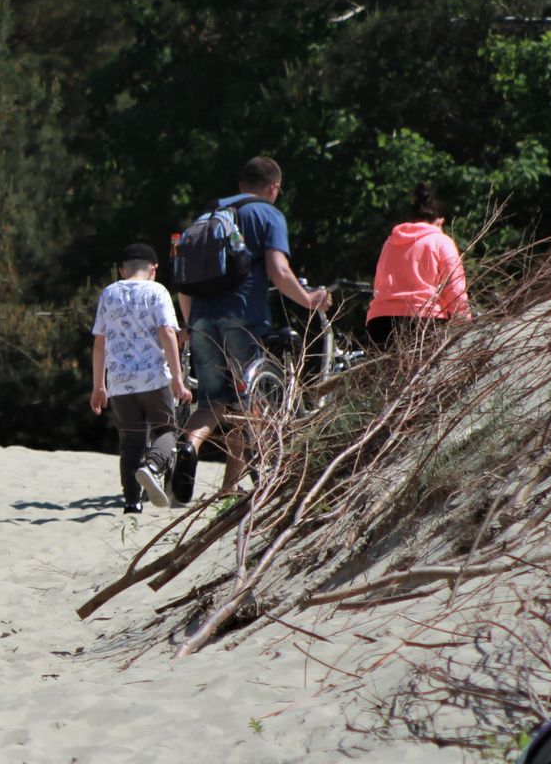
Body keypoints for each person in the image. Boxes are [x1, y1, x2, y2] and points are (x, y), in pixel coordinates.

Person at [177, 156, 331, 495]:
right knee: (249, 401)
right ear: (274, 188)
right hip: (243, 315)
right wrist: (308, 299)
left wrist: (190, 324)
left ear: (241, 184)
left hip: (201, 317)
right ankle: (232, 484)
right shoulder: (268, 215)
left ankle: (189, 446)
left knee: (212, 402)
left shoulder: (209, 215)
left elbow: (184, 284)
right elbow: (279, 270)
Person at [89, 243, 192, 512]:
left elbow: (99, 343)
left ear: (121, 271)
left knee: (130, 441)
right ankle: (154, 465)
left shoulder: (109, 294)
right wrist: (178, 379)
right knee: (167, 430)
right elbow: (168, 334)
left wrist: (98, 386)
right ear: (154, 269)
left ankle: (132, 502)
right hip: (153, 379)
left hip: (119, 384)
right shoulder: (157, 291)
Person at [366, 183, 471, 348]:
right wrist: (464, 323)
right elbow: (455, 289)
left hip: (380, 322)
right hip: (423, 321)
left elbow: (379, 284)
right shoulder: (441, 241)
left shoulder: (390, 242)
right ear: (440, 221)